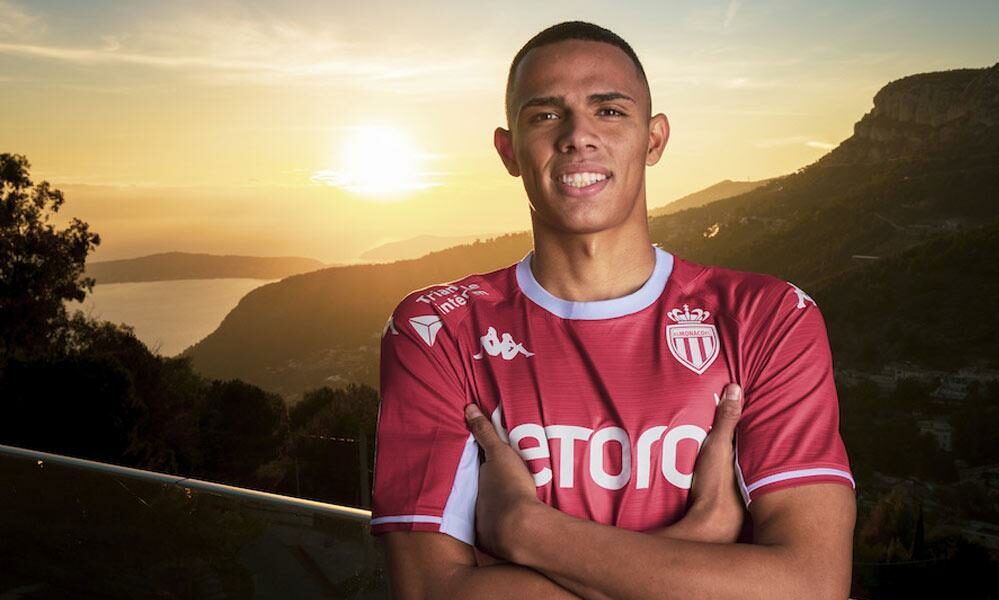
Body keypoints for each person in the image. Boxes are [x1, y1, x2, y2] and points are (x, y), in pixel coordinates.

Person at [369, 20, 857, 600]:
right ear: (509, 150)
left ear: (654, 140)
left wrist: (526, 529)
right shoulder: (437, 329)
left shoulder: (769, 317)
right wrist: (700, 539)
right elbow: (430, 593)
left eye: (609, 111)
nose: (578, 136)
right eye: (545, 115)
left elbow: (812, 586)